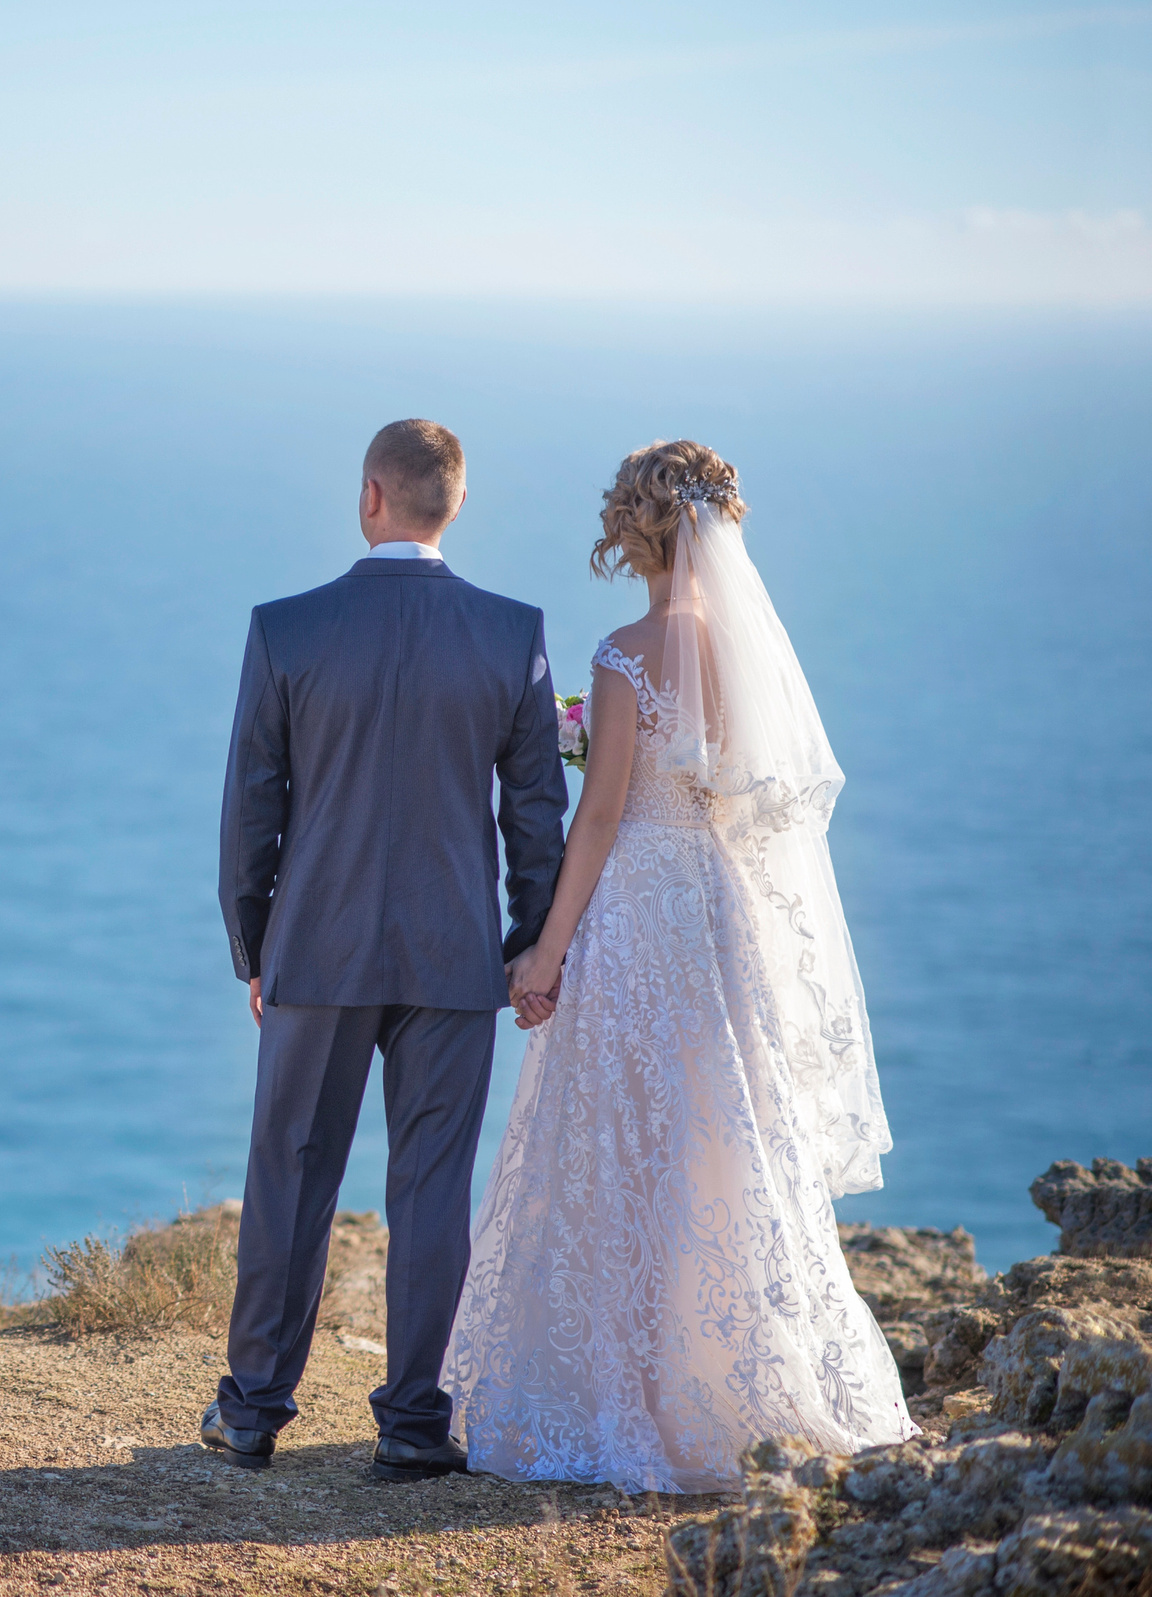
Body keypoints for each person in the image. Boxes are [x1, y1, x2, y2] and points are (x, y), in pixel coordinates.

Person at [440, 441, 913, 1493]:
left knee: (619, 1139)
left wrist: (545, 949)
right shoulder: (748, 659)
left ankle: (623, 1390)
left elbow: (600, 811)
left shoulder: (623, 653)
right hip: (719, 913)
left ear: (631, 531)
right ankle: (735, 1380)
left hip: (638, 914)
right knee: (719, 1133)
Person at [202, 419, 567, 1480]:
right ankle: (413, 1421)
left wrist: (252, 944)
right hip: (455, 959)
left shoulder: (287, 629)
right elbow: (534, 816)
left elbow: (249, 813)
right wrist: (527, 941)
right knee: (431, 1189)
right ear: (452, 504)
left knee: (290, 1175)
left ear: (371, 495)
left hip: (314, 950)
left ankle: (253, 1409)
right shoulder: (511, 632)